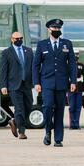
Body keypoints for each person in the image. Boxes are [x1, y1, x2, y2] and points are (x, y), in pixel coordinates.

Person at [33, 19, 77, 147]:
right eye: (54, 29)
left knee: (59, 110)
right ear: (49, 30)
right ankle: (48, 130)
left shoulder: (67, 44)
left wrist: (73, 81)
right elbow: (35, 65)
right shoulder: (42, 44)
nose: (56, 31)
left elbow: (72, 64)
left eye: (58, 29)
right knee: (47, 107)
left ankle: (58, 139)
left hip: (62, 83)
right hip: (46, 82)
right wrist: (36, 82)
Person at [0, 32, 33, 140]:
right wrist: (3, 86)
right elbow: (3, 70)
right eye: (16, 38)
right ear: (12, 39)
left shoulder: (28, 51)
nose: (19, 40)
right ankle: (21, 131)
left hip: (27, 84)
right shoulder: (6, 52)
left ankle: (14, 120)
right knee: (19, 108)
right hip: (14, 85)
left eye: (20, 38)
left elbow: (33, 68)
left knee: (28, 106)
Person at [68, 48, 84, 130]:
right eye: (75, 54)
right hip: (70, 89)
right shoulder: (67, 65)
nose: (76, 56)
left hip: (79, 89)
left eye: (77, 54)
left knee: (78, 107)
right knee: (71, 107)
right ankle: (72, 124)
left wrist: (83, 90)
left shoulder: (81, 65)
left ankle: (77, 123)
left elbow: (83, 78)